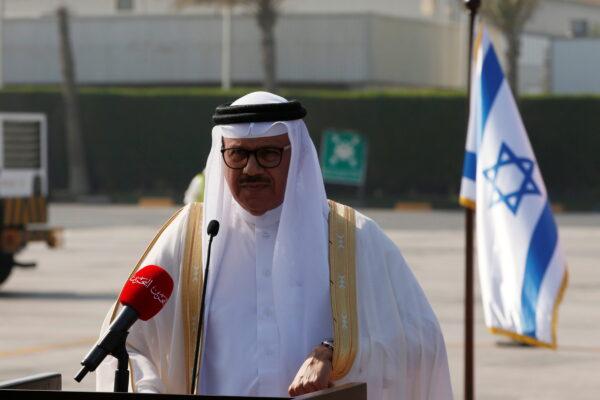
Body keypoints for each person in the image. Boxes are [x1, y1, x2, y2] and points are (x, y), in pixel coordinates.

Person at [97, 92, 453, 399]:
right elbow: (127, 339)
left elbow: (418, 341)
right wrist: (147, 387)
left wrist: (334, 354)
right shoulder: (191, 237)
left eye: (268, 154)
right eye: (237, 155)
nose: (251, 169)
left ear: (295, 156)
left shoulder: (352, 237)